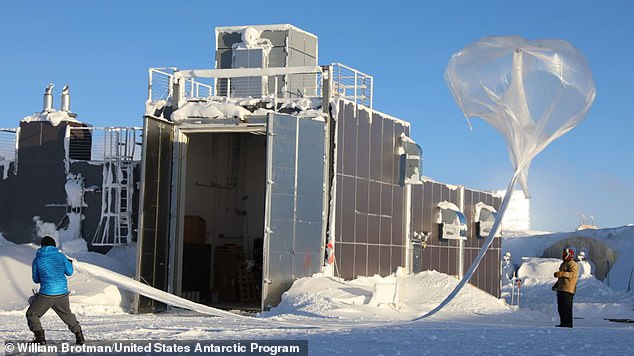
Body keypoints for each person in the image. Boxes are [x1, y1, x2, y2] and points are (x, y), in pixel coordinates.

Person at [26, 236, 85, 345]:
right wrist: (69, 263)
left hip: (47, 294)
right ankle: (79, 336)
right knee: (67, 314)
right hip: (62, 292)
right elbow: (70, 272)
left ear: (42, 246)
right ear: (54, 246)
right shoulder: (61, 256)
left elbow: (36, 279)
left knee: (32, 314)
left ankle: (40, 338)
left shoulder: (37, 259)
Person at [553, 247, 579, 328]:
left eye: (565, 254)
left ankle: (568, 324)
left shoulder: (573, 264)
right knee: (560, 307)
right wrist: (556, 284)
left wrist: (562, 273)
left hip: (568, 289)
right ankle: (563, 323)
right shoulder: (563, 264)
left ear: (569, 255)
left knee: (567, 307)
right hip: (561, 289)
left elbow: (573, 275)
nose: (563, 255)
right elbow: (561, 277)